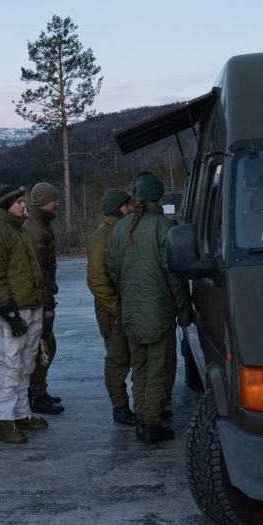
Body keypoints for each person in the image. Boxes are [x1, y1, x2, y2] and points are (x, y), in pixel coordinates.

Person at [107, 173, 192, 445]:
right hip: (158, 313)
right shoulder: (166, 227)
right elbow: (175, 276)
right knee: (158, 369)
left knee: (140, 368)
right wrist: (184, 311)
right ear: (160, 198)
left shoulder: (120, 228)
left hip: (131, 311)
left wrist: (127, 298)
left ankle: (143, 419)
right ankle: (152, 425)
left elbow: (114, 270)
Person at [0, 185, 49, 444]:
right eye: (19, 202)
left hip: (31, 307)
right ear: (7, 204)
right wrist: (9, 312)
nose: (23, 205)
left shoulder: (19, 231)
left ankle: (20, 415)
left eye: (24, 201)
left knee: (25, 366)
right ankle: (2, 421)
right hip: (13, 311)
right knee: (8, 366)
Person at [86, 188, 137, 426]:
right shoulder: (102, 236)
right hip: (113, 312)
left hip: (129, 307)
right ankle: (120, 407)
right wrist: (117, 309)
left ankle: (144, 407)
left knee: (138, 357)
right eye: (128, 205)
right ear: (119, 208)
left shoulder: (126, 229)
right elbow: (97, 280)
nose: (131, 208)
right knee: (118, 360)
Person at [24, 182, 64, 415]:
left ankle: (38, 390)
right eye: (53, 200)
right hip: (38, 302)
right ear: (41, 203)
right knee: (44, 347)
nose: (57, 203)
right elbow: (38, 273)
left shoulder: (40, 225)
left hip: (41, 299)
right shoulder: (36, 231)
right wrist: (47, 305)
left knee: (43, 346)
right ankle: (36, 394)